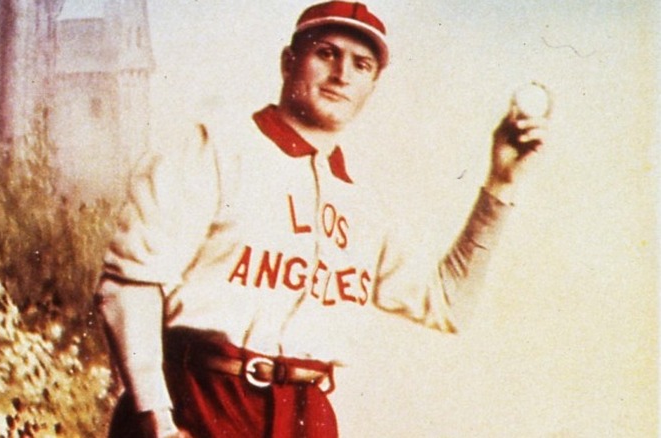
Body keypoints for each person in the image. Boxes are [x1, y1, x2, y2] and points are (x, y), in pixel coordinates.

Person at [95, 1, 549, 437]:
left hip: (307, 412)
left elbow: (447, 305)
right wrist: (158, 421)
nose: (341, 75)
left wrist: (501, 183)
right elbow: (129, 282)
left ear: (372, 85)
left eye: (361, 65)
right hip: (205, 396)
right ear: (288, 62)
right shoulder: (214, 148)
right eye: (326, 53)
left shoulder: (364, 203)